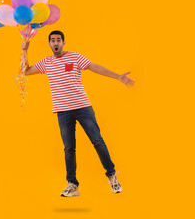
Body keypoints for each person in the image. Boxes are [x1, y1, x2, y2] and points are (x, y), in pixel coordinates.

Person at [21, 30, 135, 197]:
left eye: (58, 40)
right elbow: (26, 71)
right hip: (62, 111)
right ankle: (73, 185)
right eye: (52, 40)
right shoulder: (46, 62)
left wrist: (117, 76)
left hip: (83, 107)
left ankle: (112, 176)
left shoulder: (74, 57)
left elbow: (94, 67)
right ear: (49, 44)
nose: (55, 43)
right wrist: (25, 50)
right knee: (69, 148)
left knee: (97, 140)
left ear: (63, 42)